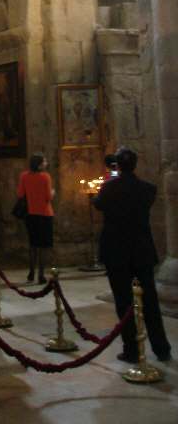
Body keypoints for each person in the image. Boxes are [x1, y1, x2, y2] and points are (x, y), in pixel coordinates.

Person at [93, 147, 171, 363]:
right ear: (136, 165)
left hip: (116, 251)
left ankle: (132, 349)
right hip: (141, 250)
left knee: (123, 301)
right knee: (150, 301)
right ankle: (161, 347)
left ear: (116, 165)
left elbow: (98, 204)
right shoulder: (148, 188)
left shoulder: (109, 187)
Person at [17, 153, 55, 283]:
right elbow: (48, 196)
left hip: (31, 214)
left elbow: (20, 193)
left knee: (33, 244)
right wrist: (53, 192)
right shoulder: (45, 176)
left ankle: (31, 272)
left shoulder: (24, 176)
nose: (46, 163)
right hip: (44, 213)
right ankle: (41, 274)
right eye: (44, 161)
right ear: (39, 164)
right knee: (44, 246)